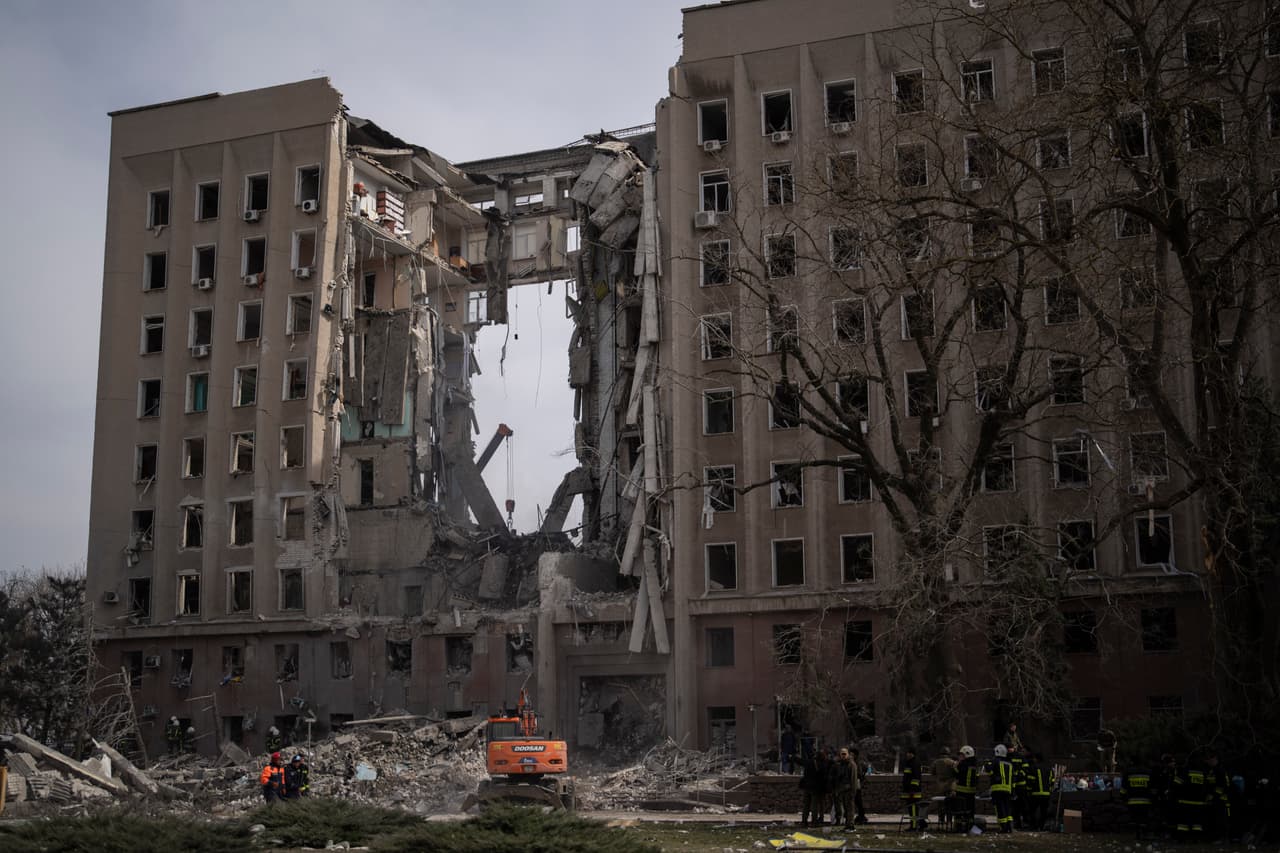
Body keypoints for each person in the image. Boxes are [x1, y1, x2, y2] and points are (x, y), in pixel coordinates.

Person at [1121, 760, 1154, 839]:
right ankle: (1144, 834)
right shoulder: (1148, 772)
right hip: (1145, 801)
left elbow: (1124, 788)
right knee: (1144, 818)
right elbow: (1152, 787)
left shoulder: (1128, 772)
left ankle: (1137, 833)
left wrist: (1123, 797)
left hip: (1132, 801)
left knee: (1135, 819)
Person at [987, 743, 1015, 834]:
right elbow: (1013, 778)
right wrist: (1013, 791)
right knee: (1008, 808)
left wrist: (988, 763)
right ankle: (1010, 827)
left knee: (1000, 809)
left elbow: (988, 769)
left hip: (998, 789)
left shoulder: (995, 761)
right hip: (1008, 790)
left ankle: (1003, 828)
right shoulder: (1010, 764)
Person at [799, 748, 829, 827]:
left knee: (806, 805)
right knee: (814, 806)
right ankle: (814, 821)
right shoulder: (822, 765)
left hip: (807, 786)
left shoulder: (809, 763)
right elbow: (823, 777)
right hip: (815, 788)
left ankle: (804, 821)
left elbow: (802, 764)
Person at [1027, 752, 1053, 832]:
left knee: (1032, 811)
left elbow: (1030, 781)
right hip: (1046, 794)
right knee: (1043, 811)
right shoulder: (1048, 768)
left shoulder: (1033, 768)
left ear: (1036, 759)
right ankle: (1041, 826)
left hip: (1035, 794)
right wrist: (1049, 790)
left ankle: (1034, 826)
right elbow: (1052, 781)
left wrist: (1028, 790)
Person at [954, 746, 979, 832]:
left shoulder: (963, 764)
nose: (959, 757)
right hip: (971, 792)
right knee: (970, 811)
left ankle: (959, 827)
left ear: (967, 755)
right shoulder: (974, 764)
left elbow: (958, 774)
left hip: (962, 791)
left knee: (959, 810)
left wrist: (955, 766)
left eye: (961, 755)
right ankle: (970, 827)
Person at [901, 745, 924, 830]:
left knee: (914, 810)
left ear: (912, 754)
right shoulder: (909, 763)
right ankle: (918, 824)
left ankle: (914, 826)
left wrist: (912, 790)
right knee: (911, 809)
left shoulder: (915, 763)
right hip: (909, 791)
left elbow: (916, 778)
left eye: (909, 753)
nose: (907, 754)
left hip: (914, 792)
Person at [830, 748, 854, 827]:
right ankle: (840, 821)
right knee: (839, 807)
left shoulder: (851, 764)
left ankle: (849, 824)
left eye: (844, 754)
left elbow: (853, 779)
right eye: (842, 754)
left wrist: (852, 791)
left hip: (847, 789)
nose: (843, 755)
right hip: (839, 788)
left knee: (848, 808)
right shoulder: (838, 765)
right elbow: (833, 777)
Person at [851, 748, 870, 824]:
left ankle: (861, 817)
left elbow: (859, 774)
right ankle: (861, 816)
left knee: (858, 802)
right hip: (856, 784)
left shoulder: (856, 763)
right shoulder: (856, 762)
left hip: (856, 784)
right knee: (858, 802)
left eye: (852, 754)